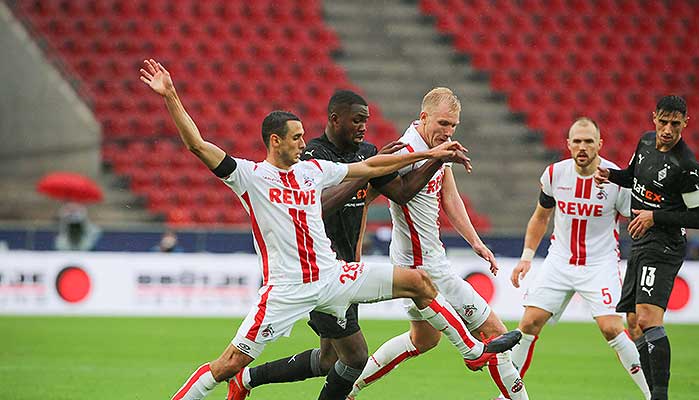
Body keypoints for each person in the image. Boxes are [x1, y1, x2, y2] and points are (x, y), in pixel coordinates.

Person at [139, 59, 521, 400]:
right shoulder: (249, 177)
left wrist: (432, 154)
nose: (305, 143)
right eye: (296, 138)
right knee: (227, 365)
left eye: (305, 136)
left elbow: (371, 169)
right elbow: (197, 145)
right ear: (275, 142)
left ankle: (473, 353)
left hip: (334, 275)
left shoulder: (312, 171)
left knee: (418, 283)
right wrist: (171, 95)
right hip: (288, 289)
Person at [227, 89, 453, 399]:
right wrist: (366, 173)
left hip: (348, 270)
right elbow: (321, 206)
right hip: (316, 271)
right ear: (335, 119)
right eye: (357, 120)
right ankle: (473, 348)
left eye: (367, 121)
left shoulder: (368, 152)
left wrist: (436, 159)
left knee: (330, 359)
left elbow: (402, 193)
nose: (363, 127)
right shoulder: (310, 156)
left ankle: (246, 379)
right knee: (355, 357)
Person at [348, 87, 529, 400]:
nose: (448, 132)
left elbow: (450, 196)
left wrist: (476, 242)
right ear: (423, 117)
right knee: (496, 334)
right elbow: (365, 198)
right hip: (418, 268)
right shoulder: (404, 151)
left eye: (454, 126)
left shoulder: (440, 149)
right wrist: (355, 246)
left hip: (432, 261)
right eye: (443, 124)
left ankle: (346, 390)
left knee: (423, 340)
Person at [502, 117, 650, 400]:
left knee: (611, 328)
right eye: (577, 141)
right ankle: (509, 396)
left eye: (589, 141)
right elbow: (540, 217)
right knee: (529, 323)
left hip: (600, 263)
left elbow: (637, 220)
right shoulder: (555, 174)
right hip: (559, 260)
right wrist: (526, 257)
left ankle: (651, 394)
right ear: (568, 144)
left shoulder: (616, 179)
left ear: (600, 144)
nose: (583, 147)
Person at [595, 95, 699, 400]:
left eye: (675, 124)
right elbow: (632, 177)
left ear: (685, 124)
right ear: (654, 118)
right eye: (663, 121)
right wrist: (611, 176)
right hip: (640, 241)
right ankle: (654, 392)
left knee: (647, 318)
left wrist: (655, 217)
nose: (668, 129)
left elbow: (697, 215)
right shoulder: (644, 143)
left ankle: (660, 396)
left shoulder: (687, 166)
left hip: (664, 245)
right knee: (633, 321)